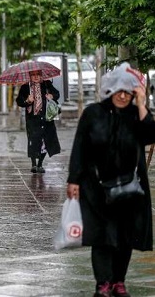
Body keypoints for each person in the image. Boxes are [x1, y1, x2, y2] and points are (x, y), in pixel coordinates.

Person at [66, 62, 155, 297]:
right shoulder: (93, 113)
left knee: (125, 237)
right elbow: (80, 148)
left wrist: (142, 103)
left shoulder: (136, 114)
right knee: (103, 236)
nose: (123, 96)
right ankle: (102, 283)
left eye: (129, 92)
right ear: (110, 91)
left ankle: (119, 281)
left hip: (130, 188)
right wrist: (73, 179)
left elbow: (150, 135)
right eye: (120, 91)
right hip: (97, 187)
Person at [15, 70, 61, 173]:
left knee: (45, 141)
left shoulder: (47, 84)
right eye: (33, 75)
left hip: (46, 118)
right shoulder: (25, 87)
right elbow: (19, 101)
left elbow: (57, 94)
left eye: (38, 75)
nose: (36, 77)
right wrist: (27, 101)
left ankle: (40, 164)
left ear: (41, 76)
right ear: (30, 76)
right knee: (33, 141)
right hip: (33, 119)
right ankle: (33, 164)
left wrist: (51, 96)